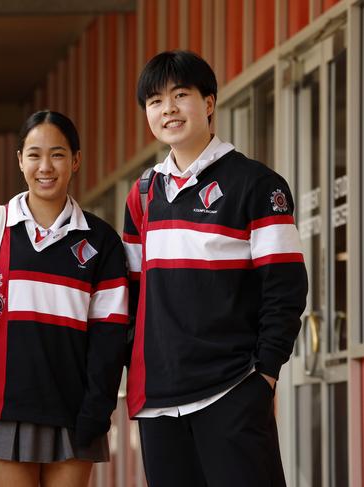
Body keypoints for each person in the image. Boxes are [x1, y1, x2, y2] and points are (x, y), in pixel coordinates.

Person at [123, 50, 308, 487]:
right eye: (155, 101)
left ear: (209, 103)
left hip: (232, 388)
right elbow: (130, 293)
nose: (167, 109)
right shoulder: (144, 194)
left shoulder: (257, 185)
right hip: (159, 402)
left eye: (180, 95)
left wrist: (264, 373)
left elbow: (284, 288)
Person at [0, 110, 128, 487]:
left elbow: (109, 338)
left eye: (58, 154)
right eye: (34, 154)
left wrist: (98, 409)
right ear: (20, 160)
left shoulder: (102, 242)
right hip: (2, 411)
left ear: (76, 160)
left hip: (75, 412)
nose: (45, 166)